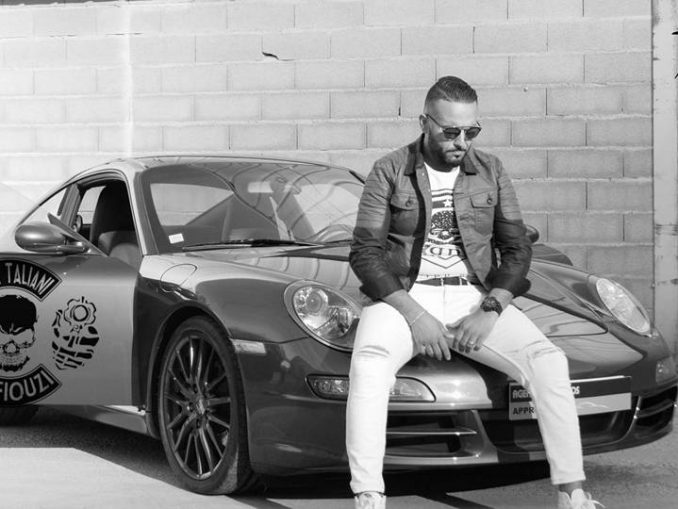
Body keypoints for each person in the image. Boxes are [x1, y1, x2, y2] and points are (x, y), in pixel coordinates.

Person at [346, 76, 601, 509]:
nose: (461, 142)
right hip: (406, 295)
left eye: (471, 131)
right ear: (424, 123)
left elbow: (517, 249)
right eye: (451, 131)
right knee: (369, 366)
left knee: (549, 361)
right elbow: (365, 253)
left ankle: (573, 494)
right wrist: (416, 315)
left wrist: (491, 307)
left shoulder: (491, 170)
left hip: (474, 294)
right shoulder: (389, 170)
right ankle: (369, 496)